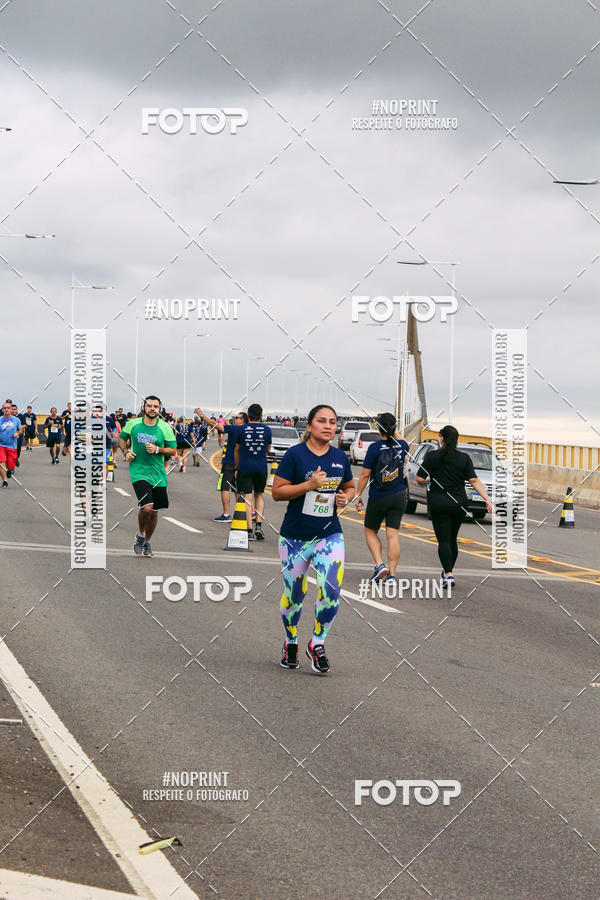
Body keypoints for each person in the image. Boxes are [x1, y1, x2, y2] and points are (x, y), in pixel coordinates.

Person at [272, 404, 355, 674]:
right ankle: (291, 641)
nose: (328, 426)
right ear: (309, 426)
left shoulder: (340, 458)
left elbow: (350, 487)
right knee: (294, 594)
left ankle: (317, 642)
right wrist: (309, 485)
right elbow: (277, 492)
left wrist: (346, 497)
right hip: (294, 537)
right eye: (321, 421)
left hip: (329, 534)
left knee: (331, 590)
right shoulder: (295, 456)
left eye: (332, 421)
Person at [416, 425, 492, 588]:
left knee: (443, 540)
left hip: (438, 503)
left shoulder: (432, 456)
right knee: (452, 539)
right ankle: (448, 572)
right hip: (458, 503)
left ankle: (448, 573)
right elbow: (474, 481)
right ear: (457, 440)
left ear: (441, 437)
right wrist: (487, 499)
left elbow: (419, 478)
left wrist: (428, 481)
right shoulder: (464, 458)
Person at [118, 395, 177, 557]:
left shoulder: (165, 427)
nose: (152, 408)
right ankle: (140, 534)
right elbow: (122, 439)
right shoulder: (133, 424)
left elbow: (173, 450)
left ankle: (147, 542)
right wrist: (126, 452)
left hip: (157, 473)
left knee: (155, 511)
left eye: (155, 406)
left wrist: (158, 449)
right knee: (147, 507)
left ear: (159, 409)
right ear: (144, 407)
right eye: (149, 405)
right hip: (138, 470)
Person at [354, 413, 409, 582]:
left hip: (379, 496)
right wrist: (394, 429)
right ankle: (392, 575)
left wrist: (358, 495)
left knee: (370, 530)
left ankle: (379, 565)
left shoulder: (374, 448)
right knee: (393, 534)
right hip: (399, 494)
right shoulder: (402, 446)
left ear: (378, 428)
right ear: (394, 428)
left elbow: (364, 475)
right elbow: (399, 437)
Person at [195, 408, 248, 521]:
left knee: (225, 488)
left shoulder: (235, 429)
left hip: (229, 463)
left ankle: (226, 514)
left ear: (243, 420)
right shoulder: (247, 430)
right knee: (238, 489)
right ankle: (242, 513)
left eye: (237, 418)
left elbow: (216, 425)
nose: (235, 419)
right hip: (241, 464)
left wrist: (202, 415)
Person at [235, 403, 271, 541]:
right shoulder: (267, 430)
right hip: (261, 467)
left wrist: (237, 467)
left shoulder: (241, 430)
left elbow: (237, 450)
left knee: (247, 498)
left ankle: (249, 530)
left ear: (248, 415)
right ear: (261, 416)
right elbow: (268, 449)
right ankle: (259, 526)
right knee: (259, 496)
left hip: (245, 467)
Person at [0, 401, 24, 487]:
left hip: (12, 446)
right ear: (2, 410)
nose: (6, 409)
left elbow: (20, 429)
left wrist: (17, 433)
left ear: (11, 410)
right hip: (1, 446)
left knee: (10, 465)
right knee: (1, 463)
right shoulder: (0, 420)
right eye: (5, 408)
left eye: (8, 408)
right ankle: (5, 481)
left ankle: (10, 470)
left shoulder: (16, 420)